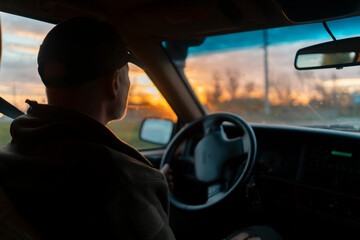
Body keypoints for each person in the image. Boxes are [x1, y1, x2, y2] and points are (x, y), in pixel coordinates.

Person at [0, 17, 272, 240]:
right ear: (114, 82)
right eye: (127, 74)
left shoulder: (15, 153)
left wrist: (153, 181)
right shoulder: (120, 183)